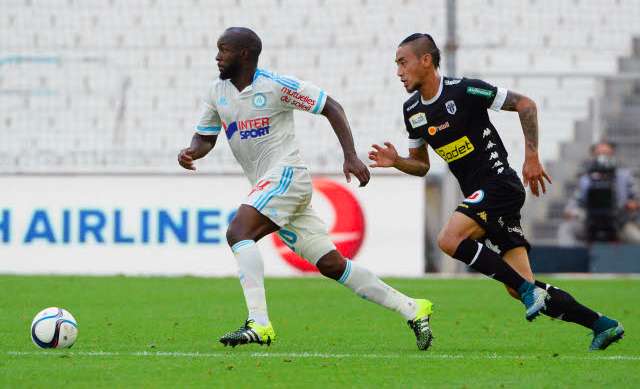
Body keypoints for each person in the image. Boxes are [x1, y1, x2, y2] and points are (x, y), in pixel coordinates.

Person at [178, 27, 434, 350]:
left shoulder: (275, 87)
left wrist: (350, 155)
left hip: (287, 176)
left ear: (245, 55)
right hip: (271, 187)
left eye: (223, 50)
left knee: (238, 232)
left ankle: (259, 323)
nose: (217, 57)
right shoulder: (218, 92)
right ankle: (412, 308)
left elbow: (332, 106)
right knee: (332, 264)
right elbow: (205, 137)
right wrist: (191, 151)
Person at [368, 33, 624, 350]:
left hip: (499, 184)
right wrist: (396, 162)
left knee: (449, 239)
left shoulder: (465, 90)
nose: (398, 72)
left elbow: (525, 104)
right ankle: (602, 324)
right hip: (483, 198)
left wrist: (531, 155)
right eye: (396, 65)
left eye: (402, 63)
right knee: (520, 287)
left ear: (426, 60)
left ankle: (531, 292)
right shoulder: (413, 111)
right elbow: (420, 166)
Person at [561, 141, 640, 244]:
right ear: (593, 156)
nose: (603, 157)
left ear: (612, 154)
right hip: (590, 222)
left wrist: (633, 204)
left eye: (606, 153)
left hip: (619, 222)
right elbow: (572, 205)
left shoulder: (625, 176)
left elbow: (637, 199)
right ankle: (569, 258)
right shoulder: (585, 180)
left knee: (636, 238)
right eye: (599, 154)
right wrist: (571, 212)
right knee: (567, 229)